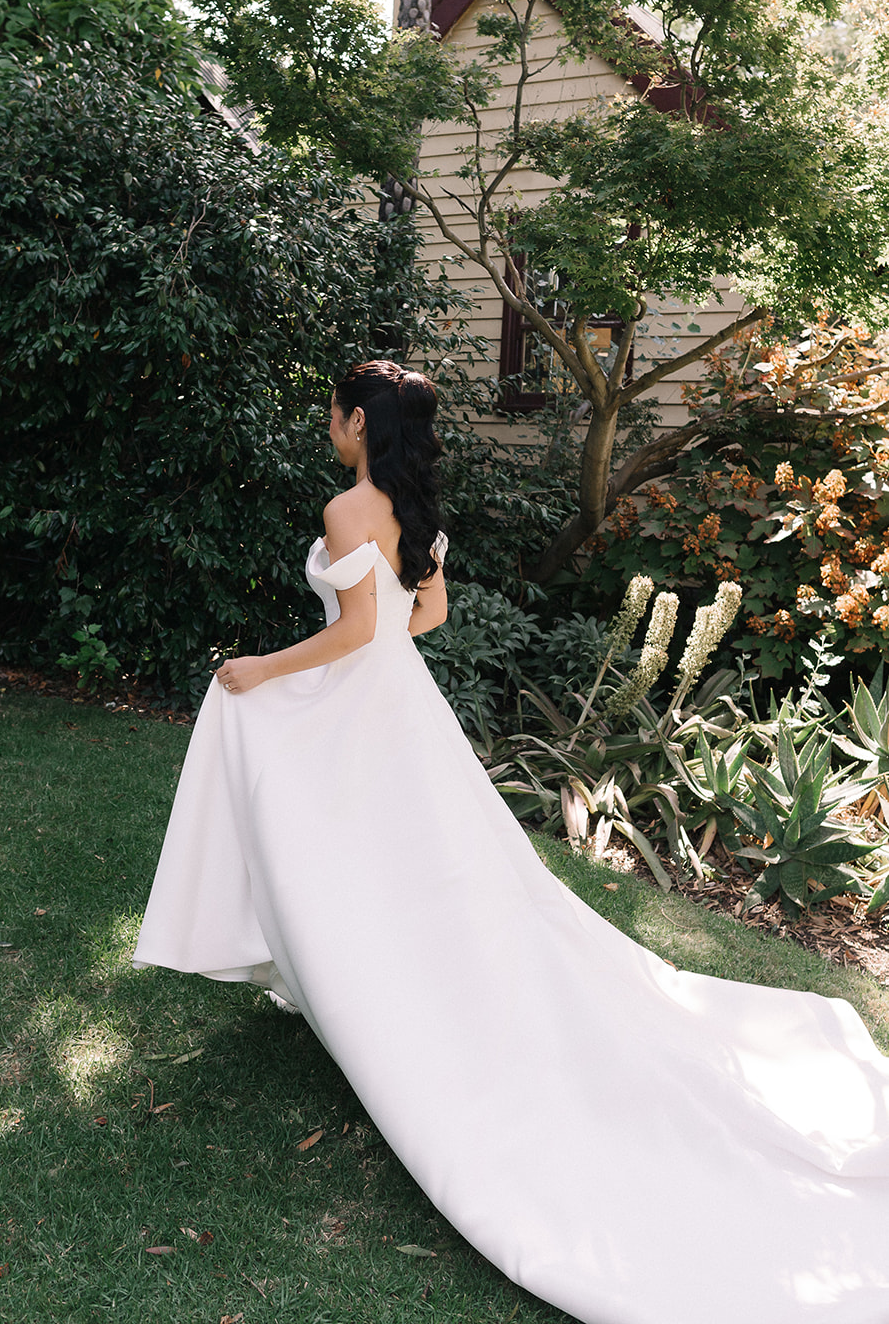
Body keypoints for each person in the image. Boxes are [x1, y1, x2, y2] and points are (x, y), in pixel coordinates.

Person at [135, 359, 889, 1324]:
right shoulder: (411, 510)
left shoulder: (347, 509)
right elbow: (428, 614)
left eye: (333, 413)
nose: (329, 425)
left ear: (358, 422)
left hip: (360, 695)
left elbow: (358, 630)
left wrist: (264, 668)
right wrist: (362, 645)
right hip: (401, 703)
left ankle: (355, 976)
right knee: (415, 851)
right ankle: (350, 966)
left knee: (338, 831)